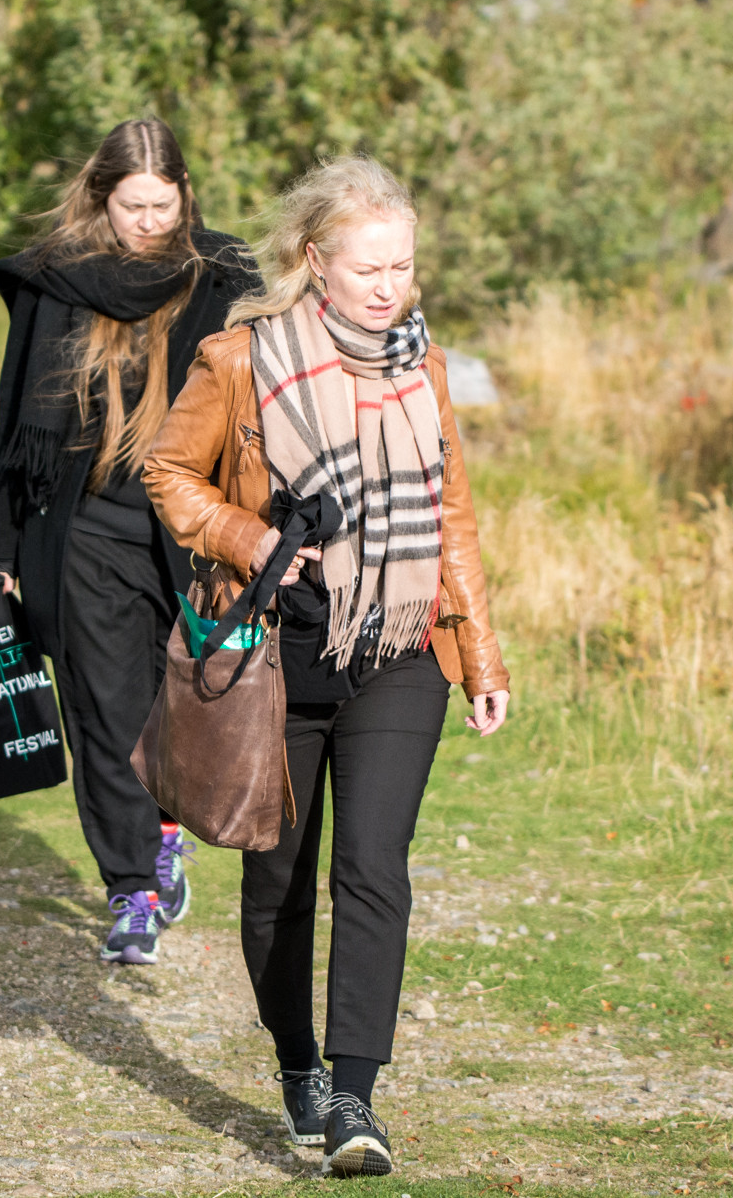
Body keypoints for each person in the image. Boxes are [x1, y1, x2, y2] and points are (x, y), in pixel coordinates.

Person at [142, 154, 511, 1179]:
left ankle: (354, 1094)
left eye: (402, 266)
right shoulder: (241, 359)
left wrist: (477, 647)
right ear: (316, 263)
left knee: (373, 867)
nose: (389, 287)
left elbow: (451, 513)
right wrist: (245, 538)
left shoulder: (420, 363)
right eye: (367, 269)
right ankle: (296, 1064)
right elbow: (166, 473)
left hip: (399, 647)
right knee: (278, 881)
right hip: (281, 653)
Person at [0, 118, 262, 966]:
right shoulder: (56, 280)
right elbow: (12, 421)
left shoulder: (221, 273)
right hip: (85, 526)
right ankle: (130, 886)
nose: (148, 220)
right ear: (102, 198)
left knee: (184, 699)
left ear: (184, 194)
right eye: (132, 204)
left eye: (162, 205)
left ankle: (168, 827)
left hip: (192, 529)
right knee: (102, 711)